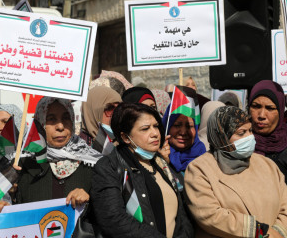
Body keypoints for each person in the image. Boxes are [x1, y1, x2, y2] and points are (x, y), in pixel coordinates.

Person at [91, 103, 194, 237]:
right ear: (125, 137)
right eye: (145, 129)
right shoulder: (109, 167)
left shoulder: (161, 163)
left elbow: (181, 214)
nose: (155, 134)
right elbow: (114, 219)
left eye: (156, 126)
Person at [185, 106, 287, 238]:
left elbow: (285, 205)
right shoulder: (199, 169)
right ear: (221, 136)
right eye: (241, 133)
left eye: (250, 130)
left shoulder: (267, 165)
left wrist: (277, 232)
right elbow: (209, 215)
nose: (249, 137)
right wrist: (260, 232)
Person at [16, 97, 103, 206]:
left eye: (66, 118)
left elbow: (107, 209)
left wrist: (89, 200)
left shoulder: (91, 163)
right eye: (51, 119)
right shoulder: (25, 164)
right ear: (40, 122)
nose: (60, 126)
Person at [249, 80, 287, 182]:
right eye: (256, 106)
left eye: (270, 108)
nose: (261, 115)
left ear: (280, 111)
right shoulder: (237, 142)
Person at [162, 96, 206, 174]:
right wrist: (162, 164)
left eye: (189, 126)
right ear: (167, 128)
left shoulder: (205, 158)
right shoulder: (155, 158)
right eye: (177, 125)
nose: (183, 132)